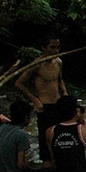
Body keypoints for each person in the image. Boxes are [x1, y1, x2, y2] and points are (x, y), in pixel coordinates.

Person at [15, 33, 68, 162]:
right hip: (44, 106)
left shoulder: (58, 61)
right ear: (43, 48)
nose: (55, 51)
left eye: (58, 47)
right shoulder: (37, 64)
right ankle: (48, 167)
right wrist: (34, 99)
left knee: (61, 138)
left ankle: (61, 165)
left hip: (58, 104)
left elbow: (60, 79)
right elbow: (19, 83)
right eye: (52, 47)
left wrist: (65, 93)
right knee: (45, 141)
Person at [0, 100, 56, 172]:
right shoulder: (20, 134)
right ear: (26, 117)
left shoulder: (2, 128)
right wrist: (32, 170)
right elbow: (20, 164)